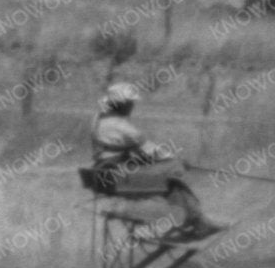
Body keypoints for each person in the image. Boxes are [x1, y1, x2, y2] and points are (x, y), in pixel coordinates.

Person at [90, 81, 215, 241]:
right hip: (116, 177)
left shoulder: (98, 119)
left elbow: (127, 150)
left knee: (170, 179)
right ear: (120, 104)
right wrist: (178, 160)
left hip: (103, 174)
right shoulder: (122, 127)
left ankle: (195, 220)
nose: (132, 107)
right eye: (130, 103)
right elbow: (153, 152)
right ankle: (195, 220)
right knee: (173, 173)